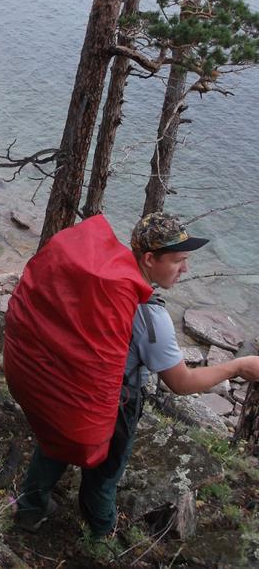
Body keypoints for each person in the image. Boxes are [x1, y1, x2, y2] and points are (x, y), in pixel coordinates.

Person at [15, 211, 259, 535]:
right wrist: (239, 366)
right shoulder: (150, 314)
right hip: (114, 403)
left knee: (52, 446)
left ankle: (29, 512)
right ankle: (101, 538)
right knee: (104, 478)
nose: (185, 268)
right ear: (149, 259)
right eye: (178, 260)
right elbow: (181, 382)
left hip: (69, 384)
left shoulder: (104, 278)